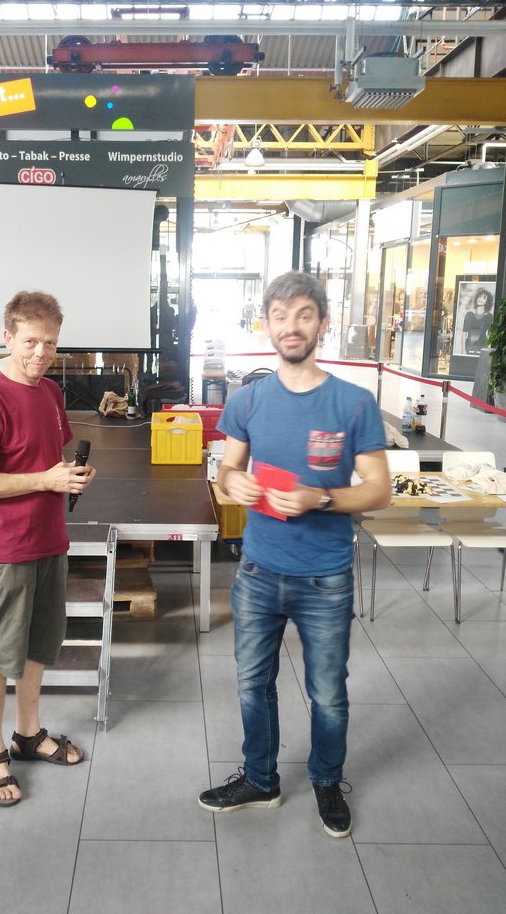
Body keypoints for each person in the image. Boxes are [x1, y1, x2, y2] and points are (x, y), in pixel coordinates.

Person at [198, 270, 391, 837]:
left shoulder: (353, 403)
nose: (291, 326)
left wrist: (321, 497)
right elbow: (228, 470)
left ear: (322, 324)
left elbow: (378, 491)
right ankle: (261, 779)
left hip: (325, 577)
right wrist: (232, 482)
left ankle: (327, 779)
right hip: (258, 571)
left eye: (304, 314)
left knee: (327, 692)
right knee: (252, 683)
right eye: (280, 316)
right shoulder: (248, 400)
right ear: (266, 325)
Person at [0, 291, 96, 807]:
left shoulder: (50, 393)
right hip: (1, 548)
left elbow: (45, 459)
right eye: (30, 341)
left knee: (39, 643)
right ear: (8, 338)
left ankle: (27, 734)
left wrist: (71, 475)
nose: (41, 352)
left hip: (47, 539)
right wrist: (44, 480)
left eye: (50, 343)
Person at [462, 287, 493, 354]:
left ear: (487, 301)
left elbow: (489, 335)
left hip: (482, 347)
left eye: (484, 298)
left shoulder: (489, 316)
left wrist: (488, 351)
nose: (480, 299)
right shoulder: (469, 315)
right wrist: (463, 350)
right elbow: (464, 333)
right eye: (479, 297)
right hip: (469, 347)